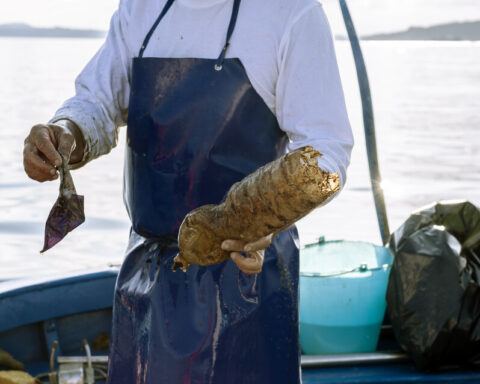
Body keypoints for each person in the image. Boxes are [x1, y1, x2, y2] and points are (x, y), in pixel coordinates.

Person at [23, 0, 353, 382]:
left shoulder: (291, 12)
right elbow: (97, 101)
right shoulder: (140, 8)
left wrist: (259, 220)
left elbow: (328, 152)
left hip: (248, 280)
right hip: (145, 277)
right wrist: (65, 132)